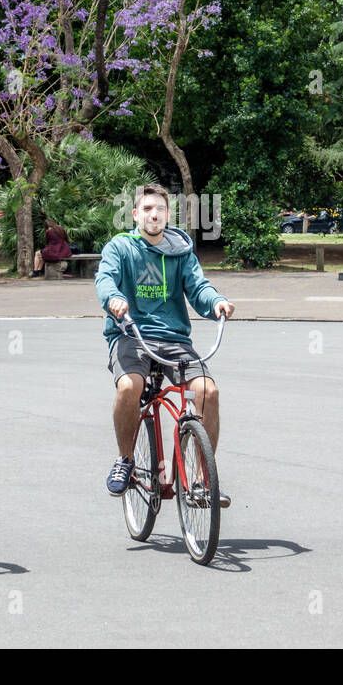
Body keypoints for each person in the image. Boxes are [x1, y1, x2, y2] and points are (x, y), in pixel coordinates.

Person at [95, 183, 235, 502]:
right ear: (135, 215)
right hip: (130, 334)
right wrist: (114, 299)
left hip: (173, 338)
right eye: (146, 209)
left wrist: (216, 303)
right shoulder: (121, 247)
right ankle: (125, 460)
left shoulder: (181, 250)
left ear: (169, 215)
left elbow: (199, 287)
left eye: (159, 209)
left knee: (208, 391)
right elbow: (105, 279)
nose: (153, 214)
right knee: (130, 387)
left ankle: (202, 481)